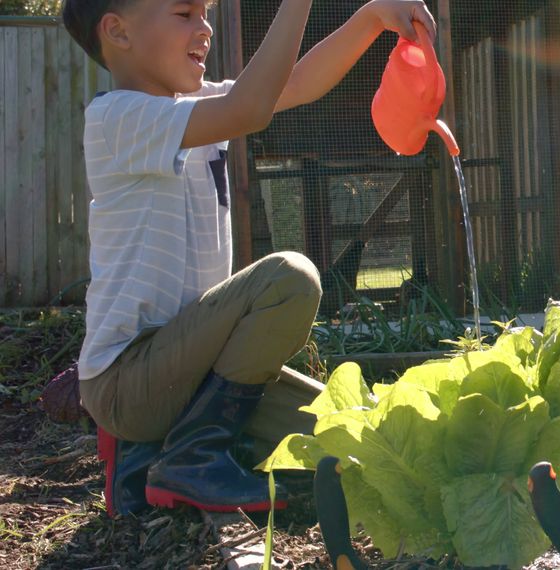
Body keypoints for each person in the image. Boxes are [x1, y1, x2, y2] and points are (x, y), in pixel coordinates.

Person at [61, 0, 436, 516]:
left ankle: (165, 455)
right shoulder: (117, 117)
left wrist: (371, 17)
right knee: (290, 279)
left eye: (205, 13)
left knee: (350, 433)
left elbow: (298, 83)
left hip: (196, 372)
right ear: (118, 32)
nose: (206, 28)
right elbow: (251, 107)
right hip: (130, 382)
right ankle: (189, 459)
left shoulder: (197, 108)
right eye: (184, 13)